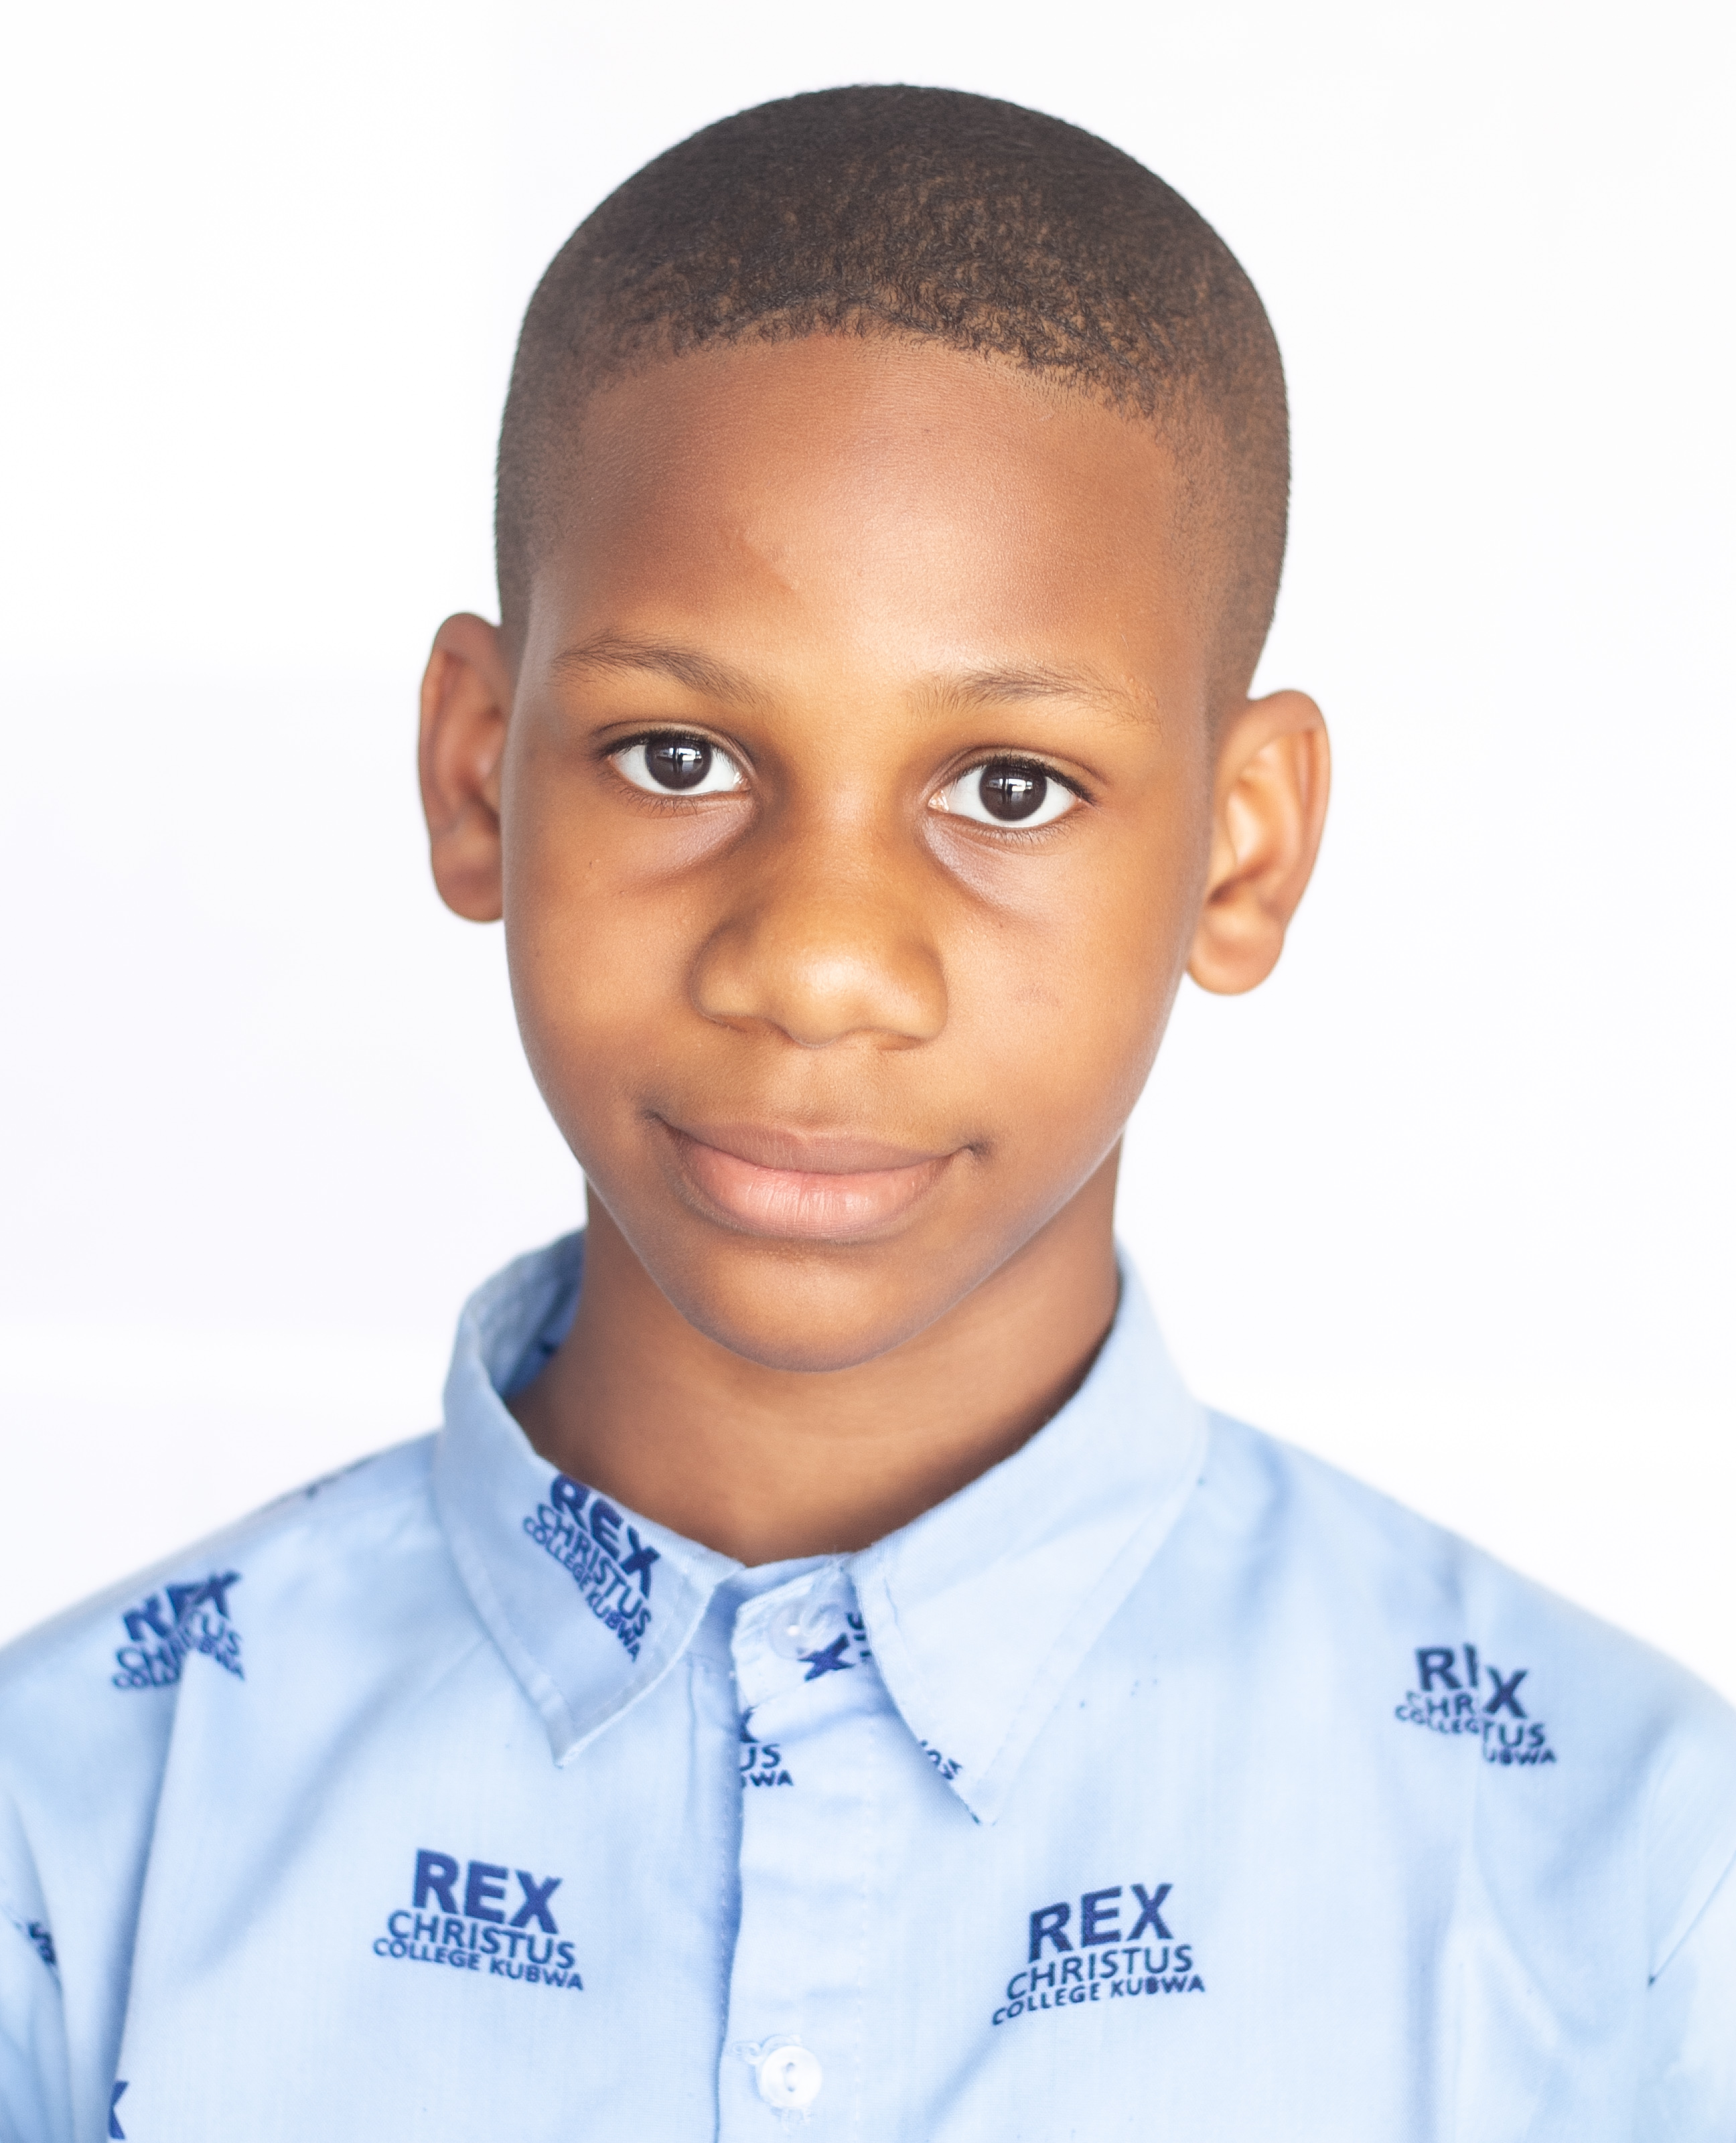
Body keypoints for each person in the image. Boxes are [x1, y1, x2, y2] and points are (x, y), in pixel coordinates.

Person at [1, 83, 1731, 2142]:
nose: (819, 964)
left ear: (1242, 849)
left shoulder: (1630, 1883)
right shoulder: (66, 1843)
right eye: (675, 756)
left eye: (1009, 788)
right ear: (476, 774)